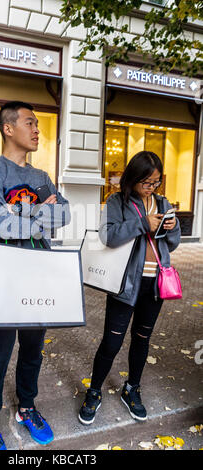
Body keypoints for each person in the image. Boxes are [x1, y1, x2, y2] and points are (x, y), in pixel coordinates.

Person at [0, 101, 71, 450]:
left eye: (38, 125)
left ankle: (26, 407)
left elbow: (63, 218)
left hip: (39, 276)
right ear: (8, 128)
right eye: (30, 123)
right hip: (3, 278)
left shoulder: (42, 177)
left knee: (33, 349)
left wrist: (17, 212)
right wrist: (35, 211)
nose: (37, 131)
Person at [78, 151, 181, 425]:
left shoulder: (162, 202)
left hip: (154, 285)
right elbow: (108, 236)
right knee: (111, 342)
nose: (152, 188)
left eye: (156, 182)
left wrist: (171, 226)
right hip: (125, 285)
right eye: (147, 182)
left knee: (142, 339)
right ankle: (94, 391)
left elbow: (173, 243)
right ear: (133, 179)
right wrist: (143, 223)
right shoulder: (117, 201)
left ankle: (132, 388)